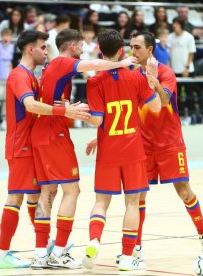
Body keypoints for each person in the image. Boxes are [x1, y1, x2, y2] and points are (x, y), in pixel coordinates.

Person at [86, 31, 203, 267]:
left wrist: (154, 81)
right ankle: (135, 250)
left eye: (137, 47)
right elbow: (122, 110)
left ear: (150, 50)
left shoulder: (166, 73)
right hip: (142, 144)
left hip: (169, 142)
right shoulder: (131, 74)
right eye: (130, 47)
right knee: (137, 198)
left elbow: (163, 103)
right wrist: (102, 136)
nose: (132, 51)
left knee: (185, 192)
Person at [29, 28, 136, 269]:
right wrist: (122, 63)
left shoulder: (52, 68)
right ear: (72, 46)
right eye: (80, 46)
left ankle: (40, 253)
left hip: (42, 133)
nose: (83, 50)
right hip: (53, 134)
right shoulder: (63, 62)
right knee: (72, 191)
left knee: (49, 192)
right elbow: (93, 65)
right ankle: (58, 252)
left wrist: (67, 105)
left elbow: (51, 98)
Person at [0, 30, 90, 269]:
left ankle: (42, 249)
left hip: (31, 143)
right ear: (30, 49)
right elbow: (30, 104)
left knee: (37, 198)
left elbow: (42, 107)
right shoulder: (19, 76)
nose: (46, 52)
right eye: (43, 48)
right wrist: (63, 111)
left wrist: (67, 106)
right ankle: (3, 253)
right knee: (15, 198)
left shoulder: (33, 76)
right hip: (20, 146)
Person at [81, 29, 161, 271]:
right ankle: (127, 257)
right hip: (133, 150)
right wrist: (151, 82)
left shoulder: (94, 82)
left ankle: (94, 240)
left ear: (99, 51)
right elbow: (156, 107)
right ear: (121, 51)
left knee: (101, 203)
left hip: (108, 150)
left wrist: (83, 113)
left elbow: (96, 121)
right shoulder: (136, 77)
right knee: (132, 203)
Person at [0, 28, 14, 132]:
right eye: (4, 36)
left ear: (10, 37)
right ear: (1, 37)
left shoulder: (11, 47)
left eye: (7, 36)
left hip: (7, 78)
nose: (6, 38)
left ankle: (4, 120)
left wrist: (12, 75)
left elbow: (9, 63)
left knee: (6, 101)